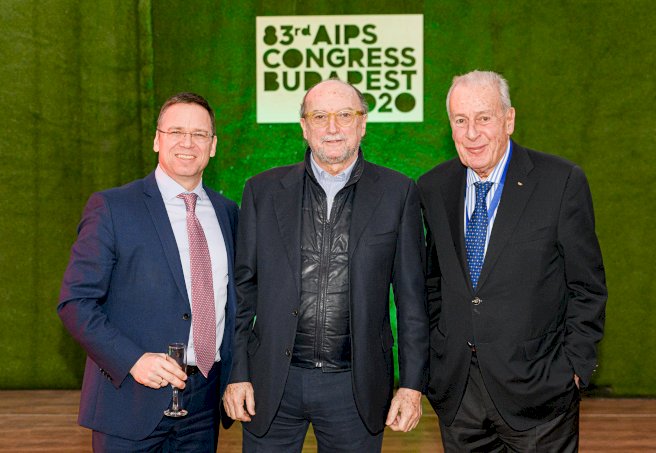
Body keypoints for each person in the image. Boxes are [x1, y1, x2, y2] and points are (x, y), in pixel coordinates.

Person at [223, 79, 429, 452]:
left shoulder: (398, 193)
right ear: (304, 127)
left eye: (344, 115)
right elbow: (242, 291)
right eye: (319, 116)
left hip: (356, 387)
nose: (332, 127)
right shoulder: (262, 191)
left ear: (363, 123)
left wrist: (411, 385)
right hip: (272, 382)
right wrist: (237, 373)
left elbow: (413, 301)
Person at [418, 70, 607, 452]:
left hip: (540, 394)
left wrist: (573, 367)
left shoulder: (560, 182)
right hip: (459, 396)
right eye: (460, 120)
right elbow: (434, 282)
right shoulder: (433, 187)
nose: (472, 133)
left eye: (484, 118)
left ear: (509, 119)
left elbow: (586, 286)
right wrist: (439, 355)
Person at [58, 92, 238, 452]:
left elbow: (233, 306)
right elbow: (75, 303)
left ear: (213, 145)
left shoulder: (228, 212)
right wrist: (132, 360)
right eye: (176, 131)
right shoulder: (112, 207)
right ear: (157, 139)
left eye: (199, 134)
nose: (187, 142)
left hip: (204, 404)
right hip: (130, 400)